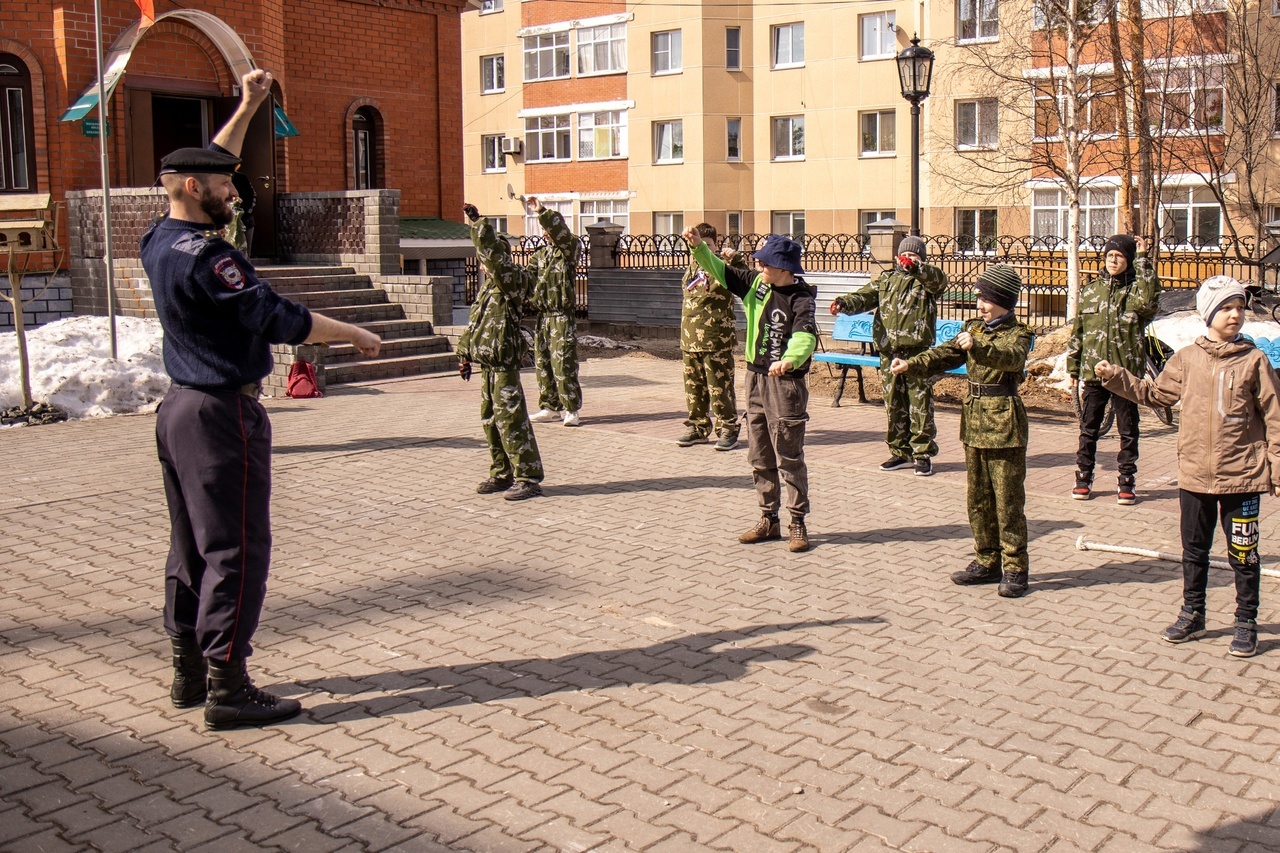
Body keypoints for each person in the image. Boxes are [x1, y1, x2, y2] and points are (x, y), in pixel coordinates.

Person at [144, 69, 383, 730]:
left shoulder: (160, 239)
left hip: (178, 410)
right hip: (222, 415)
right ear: (195, 190)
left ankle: (189, 668)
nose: (232, 190)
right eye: (223, 185)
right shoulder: (211, 259)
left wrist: (247, 105)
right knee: (238, 549)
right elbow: (279, 318)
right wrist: (355, 333)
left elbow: (207, 161)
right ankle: (229, 684)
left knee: (190, 546)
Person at [1096, 276, 1280, 658]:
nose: (1235, 315)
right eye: (1226, 308)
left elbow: (1275, 417)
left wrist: (1275, 465)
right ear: (1207, 313)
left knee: (1244, 554)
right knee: (1193, 550)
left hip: (1242, 477)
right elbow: (1155, 394)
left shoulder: (1254, 361)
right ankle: (1192, 613)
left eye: (1240, 308)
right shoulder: (1186, 359)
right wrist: (1118, 378)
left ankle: (1246, 622)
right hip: (1195, 476)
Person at [890, 265, 1033, 598]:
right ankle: (986, 560)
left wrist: (977, 347)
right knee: (978, 499)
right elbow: (946, 354)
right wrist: (912, 364)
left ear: (1005, 301)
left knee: (1008, 501)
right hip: (974, 422)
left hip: (1004, 423)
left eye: (987, 298)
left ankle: (1015, 568)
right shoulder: (973, 328)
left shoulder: (1019, 333)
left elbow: (1010, 359)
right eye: (980, 296)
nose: (980, 304)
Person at [684, 227, 818, 553]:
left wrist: (789, 360)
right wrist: (700, 248)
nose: (759, 268)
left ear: (784, 269)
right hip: (755, 379)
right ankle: (768, 519)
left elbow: (805, 337)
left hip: (785, 385)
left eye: (766, 264)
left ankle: (797, 521)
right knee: (759, 455)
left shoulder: (801, 299)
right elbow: (721, 270)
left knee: (788, 456)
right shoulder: (758, 285)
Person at [831, 235, 949, 477]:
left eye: (915, 256)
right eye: (905, 255)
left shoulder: (925, 281)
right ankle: (900, 452)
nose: (908, 260)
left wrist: (917, 268)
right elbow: (863, 297)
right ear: (896, 257)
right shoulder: (886, 280)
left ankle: (922, 454)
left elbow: (939, 281)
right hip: (889, 352)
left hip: (917, 353)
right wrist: (844, 303)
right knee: (894, 403)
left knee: (919, 404)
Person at [1066, 234, 1161, 504]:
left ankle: (1127, 480)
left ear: (1129, 259)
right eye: (1109, 255)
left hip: (1125, 374)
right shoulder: (1091, 290)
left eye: (1119, 255)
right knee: (1089, 428)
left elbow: (1149, 302)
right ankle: (1084, 475)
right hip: (1094, 372)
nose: (1113, 259)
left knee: (1128, 430)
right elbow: (1078, 331)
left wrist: (1143, 261)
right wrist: (1073, 367)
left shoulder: (1135, 290)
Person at [458, 203, 544, 501]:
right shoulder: (488, 288)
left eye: (486, 257)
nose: (482, 262)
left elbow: (493, 256)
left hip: (505, 362)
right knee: (491, 421)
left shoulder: (513, 281)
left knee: (511, 419)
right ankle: (501, 473)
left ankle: (528, 477)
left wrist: (479, 224)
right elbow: (477, 324)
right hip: (489, 364)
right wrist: (465, 354)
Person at [677, 223, 746, 451]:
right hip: (690, 339)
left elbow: (744, 279)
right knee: (693, 388)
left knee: (720, 388)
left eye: (707, 244)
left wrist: (735, 260)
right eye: (696, 243)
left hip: (716, 339)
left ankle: (727, 428)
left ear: (716, 246)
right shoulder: (691, 266)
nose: (700, 247)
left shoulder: (721, 266)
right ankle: (697, 427)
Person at [525, 197, 584, 427]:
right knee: (543, 362)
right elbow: (526, 279)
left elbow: (562, 235)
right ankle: (550, 406)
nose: (545, 233)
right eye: (543, 230)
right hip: (543, 315)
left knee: (563, 362)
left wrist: (541, 211)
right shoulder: (540, 255)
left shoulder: (569, 248)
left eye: (549, 228)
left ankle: (571, 408)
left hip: (561, 315)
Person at [230, 166, 256, 256]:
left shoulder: (241, 178)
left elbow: (253, 196)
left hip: (245, 218)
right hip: (227, 221)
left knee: (245, 251)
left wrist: (248, 212)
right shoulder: (217, 179)